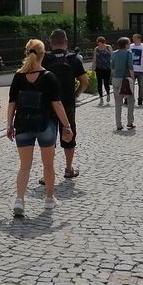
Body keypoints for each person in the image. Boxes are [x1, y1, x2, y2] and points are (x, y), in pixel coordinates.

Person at [6, 39, 74, 218]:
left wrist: (9, 124)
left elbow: (12, 103)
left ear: (26, 53)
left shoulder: (18, 76)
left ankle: (19, 200)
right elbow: (57, 104)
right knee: (48, 165)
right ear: (43, 55)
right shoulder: (48, 77)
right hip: (46, 125)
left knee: (24, 166)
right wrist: (67, 126)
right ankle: (49, 199)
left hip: (23, 124)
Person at [42, 29, 88, 180]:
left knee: (48, 138)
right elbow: (84, 82)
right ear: (66, 42)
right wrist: (76, 94)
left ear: (50, 43)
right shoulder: (73, 59)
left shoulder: (45, 59)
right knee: (68, 134)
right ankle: (68, 168)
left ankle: (47, 173)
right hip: (67, 104)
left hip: (48, 104)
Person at [111, 36, 134, 131]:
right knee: (131, 101)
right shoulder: (129, 53)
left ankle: (118, 124)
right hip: (126, 79)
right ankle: (130, 122)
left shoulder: (114, 53)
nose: (129, 45)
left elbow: (112, 69)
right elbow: (130, 67)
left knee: (118, 102)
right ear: (126, 45)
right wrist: (132, 78)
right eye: (129, 43)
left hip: (116, 78)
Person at [129, 33, 143, 107]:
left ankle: (140, 100)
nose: (133, 39)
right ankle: (129, 99)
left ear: (138, 39)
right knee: (131, 85)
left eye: (134, 38)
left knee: (141, 86)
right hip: (132, 70)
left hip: (141, 70)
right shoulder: (130, 46)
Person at [92, 37, 113, 105]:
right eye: (98, 43)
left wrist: (113, 67)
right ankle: (101, 98)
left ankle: (108, 94)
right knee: (99, 84)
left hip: (107, 68)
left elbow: (112, 58)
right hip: (99, 68)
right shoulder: (96, 49)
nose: (99, 45)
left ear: (103, 43)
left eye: (100, 43)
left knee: (106, 83)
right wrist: (93, 69)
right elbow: (94, 59)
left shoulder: (108, 47)